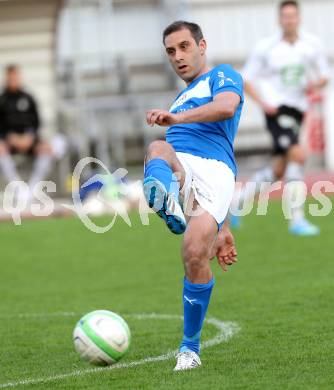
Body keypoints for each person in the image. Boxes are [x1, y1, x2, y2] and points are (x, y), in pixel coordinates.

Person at [142, 21, 243, 370]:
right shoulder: (179, 100)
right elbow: (172, 131)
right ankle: (165, 202)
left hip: (214, 169)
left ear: (202, 45)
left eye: (184, 46)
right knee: (158, 147)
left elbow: (227, 107)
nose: (178, 56)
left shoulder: (222, 75)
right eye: (171, 51)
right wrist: (226, 226)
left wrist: (176, 118)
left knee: (194, 251)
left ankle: (190, 349)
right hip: (182, 165)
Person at [233, 0, 330, 235]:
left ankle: (235, 204)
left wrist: (313, 84)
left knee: (278, 169)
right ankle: (296, 219)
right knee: (298, 154)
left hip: (298, 110)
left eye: (293, 16)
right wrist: (264, 103)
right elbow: (245, 78)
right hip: (276, 110)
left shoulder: (311, 45)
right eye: (285, 16)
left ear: (299, 18)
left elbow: (325, 75)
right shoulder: (266, 47)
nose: (289, 20)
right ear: (280, 20)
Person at [0, 65, 54, 200]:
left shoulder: (29, 98)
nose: (13, 80)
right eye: (10, 77)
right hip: (9, 141)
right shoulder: (2, 100)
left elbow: (36, 123)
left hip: (29, 140)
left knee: (47, 149)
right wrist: (9, 137)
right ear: (7, 78)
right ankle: (18, 189)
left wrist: (29, 137)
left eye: (15, 77)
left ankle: (32, 190)